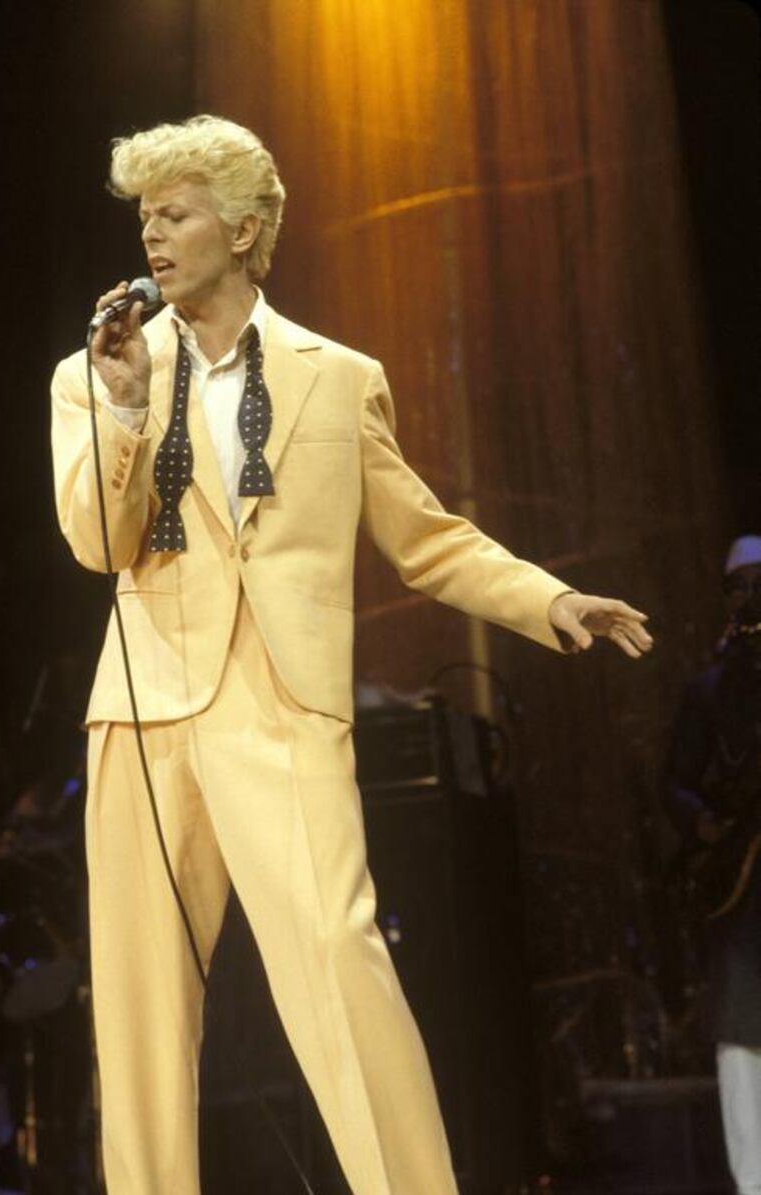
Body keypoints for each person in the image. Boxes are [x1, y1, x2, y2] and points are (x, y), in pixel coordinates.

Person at [50, 115, 653, 1195]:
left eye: (174, 214)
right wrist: (129, 403)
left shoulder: (338, 378)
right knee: (139, 1005)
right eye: (143, 218)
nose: (152, 237)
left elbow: (427, 538)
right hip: (141, 714)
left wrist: (547, 599)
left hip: (280, 707)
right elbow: (99, 541)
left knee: (340, 960)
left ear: (242, 229)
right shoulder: (94, 376)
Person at [665, 536, 761, 1195]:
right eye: (742, 585)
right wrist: (703, 821)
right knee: (738, 1028)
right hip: (741, 883)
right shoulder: (706, 691)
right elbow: (674, 781)